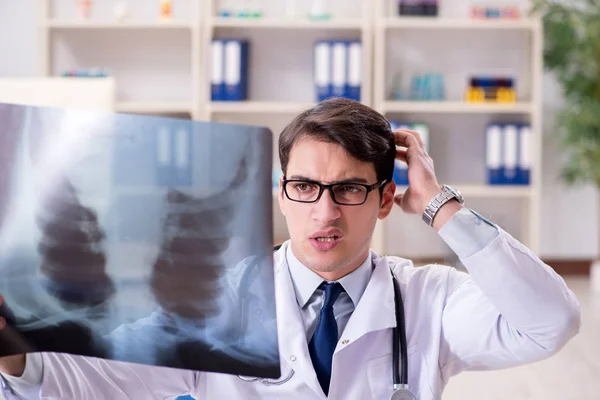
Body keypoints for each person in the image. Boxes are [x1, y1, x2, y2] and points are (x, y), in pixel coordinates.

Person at [0, 98, 581, 399]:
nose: (324, 213)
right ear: (281, 194)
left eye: (350, 189)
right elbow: (88, 382)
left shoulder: (427, 299)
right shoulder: (214, 303)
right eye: (305, 187)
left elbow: (549, 321)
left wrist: (439, 205)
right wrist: (15, 353)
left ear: (384, 200)